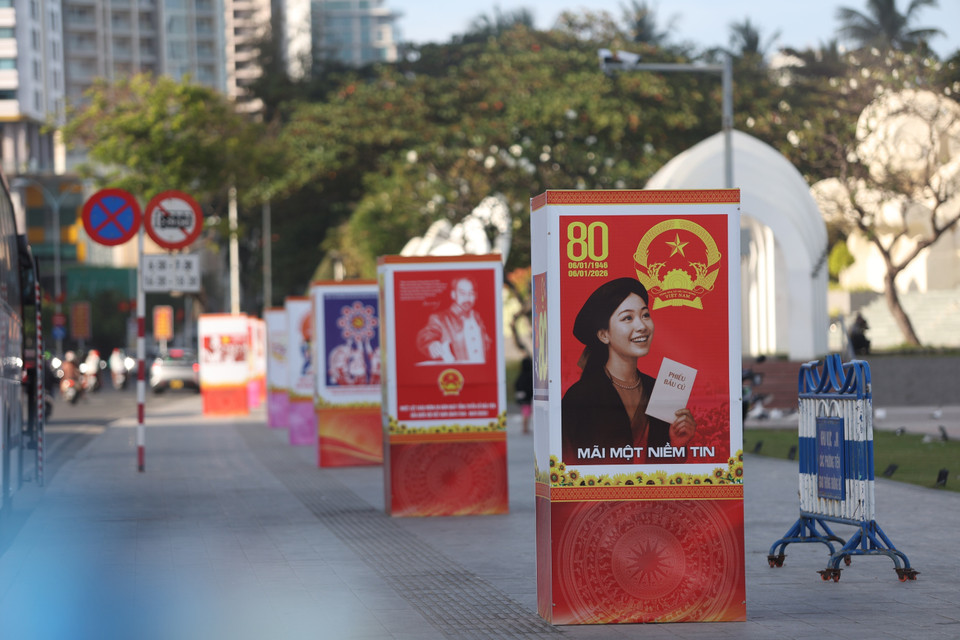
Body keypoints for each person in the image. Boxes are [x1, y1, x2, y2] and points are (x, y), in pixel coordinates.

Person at [561, 278, 697, 465]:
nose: (642, 326)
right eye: (627, 318)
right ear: (604, 335)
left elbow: (664, 469)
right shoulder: (580, 397)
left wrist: (677, 445)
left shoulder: (659, 391)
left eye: (645, 315)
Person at [416, 276, 491, 363]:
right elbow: (425, 337)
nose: (467, 298)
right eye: (462, 293)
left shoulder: (479, 318)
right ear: (453, 295)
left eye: (471, 293)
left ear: (476, 296)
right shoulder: (440, 318)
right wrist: (431, 344)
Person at [514, 354, 534, 434]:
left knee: (525, 412)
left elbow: (516, 384)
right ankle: (525, 429)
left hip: (521, 396)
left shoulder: (521, 375)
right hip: (528, 397)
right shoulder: (530, 375)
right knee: (526, 413)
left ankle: (525, 428)